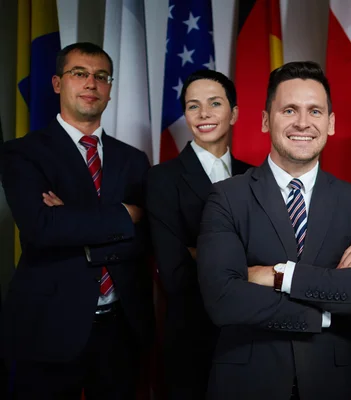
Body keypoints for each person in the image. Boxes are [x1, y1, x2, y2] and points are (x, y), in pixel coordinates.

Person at [196, 61, 351, 400]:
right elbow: (223, 300)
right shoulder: (227, 197)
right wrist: (327, 309)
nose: (303, 123)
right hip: (248, 384)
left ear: (330, 123)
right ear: (264, 120)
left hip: (330, 383)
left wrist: (279, 276)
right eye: (289, 110)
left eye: (315, 111)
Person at [0, 42, 154, 399]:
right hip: (49, 327)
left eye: (101, 77)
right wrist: (124, 216)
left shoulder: (133, 159)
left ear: (110, 89)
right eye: (79, 74)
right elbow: (41, 229)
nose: (91, 84)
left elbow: (146, 237)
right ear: (57, 83)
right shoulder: (22, 152)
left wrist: (72, 220)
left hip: (121, 328)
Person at [146, 69, 252, 399]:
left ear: (233, 113)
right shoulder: (162, 179)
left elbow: (277, 255)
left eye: (214, 103)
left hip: (253, 335)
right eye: (193, 106)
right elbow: (175, 273)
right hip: (193, 335)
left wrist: (199, 252)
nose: (203, 114)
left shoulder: (256, 176)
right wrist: (247, 265)